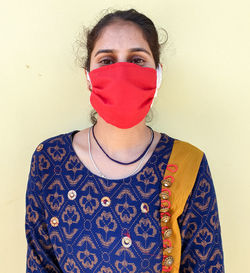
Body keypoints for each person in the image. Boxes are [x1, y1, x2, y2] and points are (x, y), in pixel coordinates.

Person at [25, 8, 224, 273]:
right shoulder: (50, 161)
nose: (121, 72)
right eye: (106, 61)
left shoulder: (189, 165)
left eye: (137, 59)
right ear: (88, 77)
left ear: (158, 74)